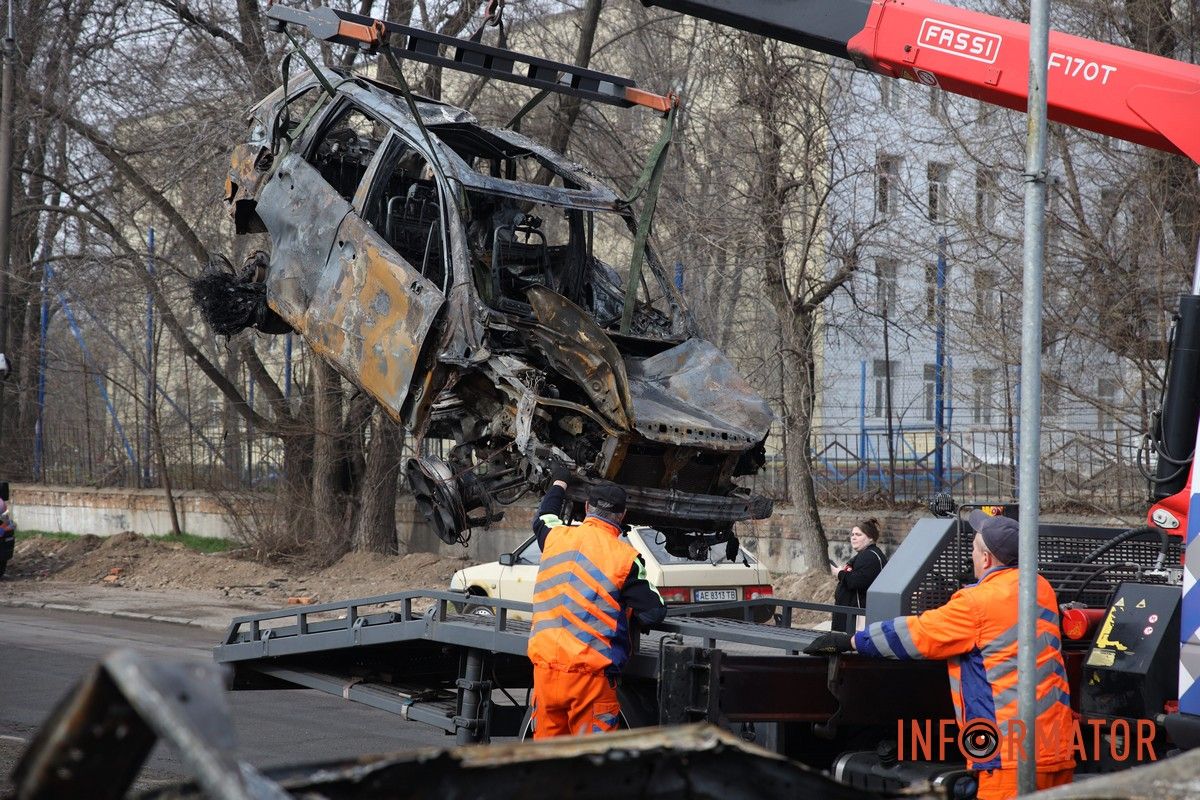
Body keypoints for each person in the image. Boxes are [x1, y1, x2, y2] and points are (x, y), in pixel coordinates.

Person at [805, 510, 1074, 799]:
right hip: (1055, 746)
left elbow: (918, 634)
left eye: (972, 549)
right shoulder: (1041, 588)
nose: (971, 557)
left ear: (986, 559)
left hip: (1009, 757)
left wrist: (854, 641)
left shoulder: (977, 603)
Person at [526, 463, 667, 739]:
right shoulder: (625, 558)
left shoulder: (556, 537)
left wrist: (559, 482)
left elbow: (544, 517)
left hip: (545, 673)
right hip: (589, 682)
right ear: (622, 514)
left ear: (587, 507)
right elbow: (654, 612)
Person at [830, 518, 887, 633]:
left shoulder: (869, 556)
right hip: (852, 617)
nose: (853, 537)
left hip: (857, 620)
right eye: (852, 534)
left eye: (858, 534)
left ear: (870, 537)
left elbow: (856, 581)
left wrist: (839, 573)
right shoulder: (868, 554)